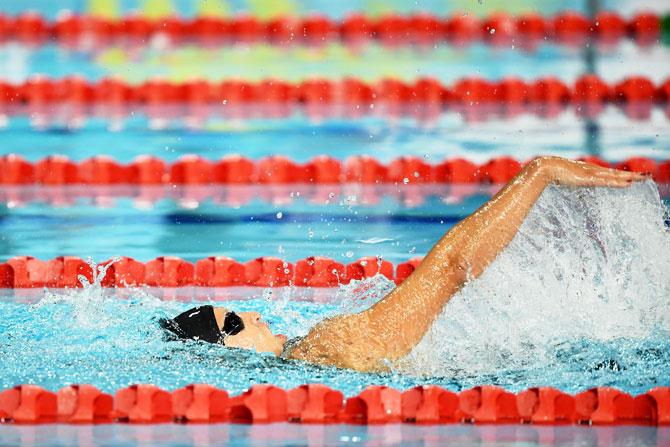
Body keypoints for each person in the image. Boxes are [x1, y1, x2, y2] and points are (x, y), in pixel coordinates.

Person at [161, 156, 645, 372]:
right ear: (227, 351)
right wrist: (539, 173)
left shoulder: (309, 357)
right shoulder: (328, 348)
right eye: (233, 321)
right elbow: (452, 269)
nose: (254, 313)